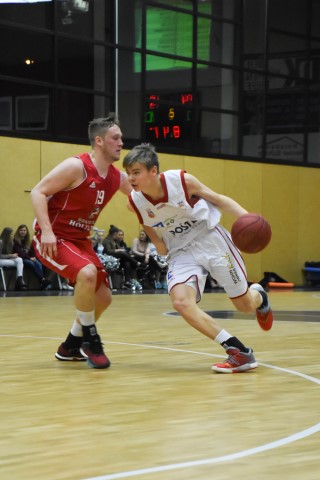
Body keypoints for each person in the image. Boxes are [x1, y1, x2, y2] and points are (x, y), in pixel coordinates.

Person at [123, 143, 273, 373]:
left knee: (244, 306)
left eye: (136, 172)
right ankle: (238, 350)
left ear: (153, 171)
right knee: (181, 302)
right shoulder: (135, 201)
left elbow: (219, 199)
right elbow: (146, 221)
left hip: (211, 240)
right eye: (128, 173)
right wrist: (160, 245)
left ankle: (259, 297)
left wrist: (250, 219)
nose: (130, 178)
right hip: (182, 251)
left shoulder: (182, 181)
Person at [30, 114, 132, 369]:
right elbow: (38, 192)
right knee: (87, 274)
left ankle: (69, 346)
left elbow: (141, 199)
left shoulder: (117, 177)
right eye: (115, 138)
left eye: (121, 138)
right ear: (99, 141)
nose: (121, 142)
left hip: (80, 240)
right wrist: (48, 231)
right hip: (52, 237)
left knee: (105, 297)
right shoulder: (76, 167)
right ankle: (90, 339)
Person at [103, 225, 142, 291]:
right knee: (122, 253)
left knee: (127, 262)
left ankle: (127, 281)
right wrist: (118, 250)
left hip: (118, 261)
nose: (119, 236)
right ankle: (136, 263)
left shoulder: (115, 241)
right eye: (118, 234)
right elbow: (108, 251)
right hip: (110, 261)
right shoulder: (107, 241)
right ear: (114, 234)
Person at [13, 224, 50, 290]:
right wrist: (30, 258)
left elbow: (32, 251)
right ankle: (43, 280)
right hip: (21, 259)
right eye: (21, 230)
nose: (23, 232)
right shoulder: (15, 241)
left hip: (29, 258)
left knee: (38, 263)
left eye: (24, 230)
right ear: (18, 231)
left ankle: (42, 282)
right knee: (31, 263)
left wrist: (34, 257)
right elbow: (20, 253)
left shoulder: (28, 241)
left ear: (26, 231)